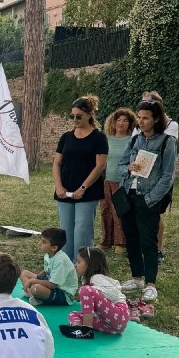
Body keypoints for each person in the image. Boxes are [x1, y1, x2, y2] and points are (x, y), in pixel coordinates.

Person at [117, 100, 176, 302]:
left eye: (146, 118)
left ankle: (151, 284)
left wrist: (151, 198)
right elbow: (121, 165)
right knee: (131, 238)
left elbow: (168, 176)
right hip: (128, 194)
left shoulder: (167, 142)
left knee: (148, 241)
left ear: (156, 119)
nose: (140, 122)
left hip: (148, 197)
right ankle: (137, 278)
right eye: (139, 117)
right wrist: (128, 169)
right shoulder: (135, 140)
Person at [53, 95, 108, 261]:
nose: (75, 120)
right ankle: (66, 266)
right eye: (72, 116)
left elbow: (100, 165)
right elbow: (56, 163)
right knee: (65, 231)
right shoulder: (66, 137)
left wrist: (83, 188)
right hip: (65, 189)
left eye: (79, 116)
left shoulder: (99, 137)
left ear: (89, 115)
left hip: (88, 191)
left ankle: (83, 266)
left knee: (82, 231)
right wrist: (59, 186)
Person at [139, 91, 178, 263]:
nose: (145, 104)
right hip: (141, 175)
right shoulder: (140, 125)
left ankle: (158, 248)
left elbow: (165, 147)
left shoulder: (171, 125)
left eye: (148, 102)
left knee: (155, 214)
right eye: (143, 102)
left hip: (159, 176)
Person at [60, 247, 131, 339]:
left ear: (90, 264)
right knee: (73, 314)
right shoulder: (88, 279)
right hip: (109, 325)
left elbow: (114, 295)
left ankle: (86, 330)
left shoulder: (97, 278)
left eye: (79, 262)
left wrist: (94, 291)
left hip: (119, 316)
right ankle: (77, 329)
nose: (75, 265)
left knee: (85, 290)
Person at [100, 108, 137, 254]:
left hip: (122, 182)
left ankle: (120, 243)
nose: (121, 123)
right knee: (105, 211)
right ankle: (106, 241)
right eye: (118, 120)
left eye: (125, 120)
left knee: (119, 212)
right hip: (105, 181)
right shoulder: (106, 139)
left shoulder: (132, 141)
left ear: (130, 123)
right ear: (113, 122)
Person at [20, 227, 78, 307]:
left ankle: (33, 293)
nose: (39, 243)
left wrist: (32, 281)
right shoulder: (48, 255)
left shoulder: (61, 261)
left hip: (63, 294)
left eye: (44, 242)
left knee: (36, 288)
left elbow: (53, 285)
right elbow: (46, 271)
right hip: (50, 282)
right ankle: (33, 296)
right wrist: (37, 277)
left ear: (54, 248)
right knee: (24, 273)